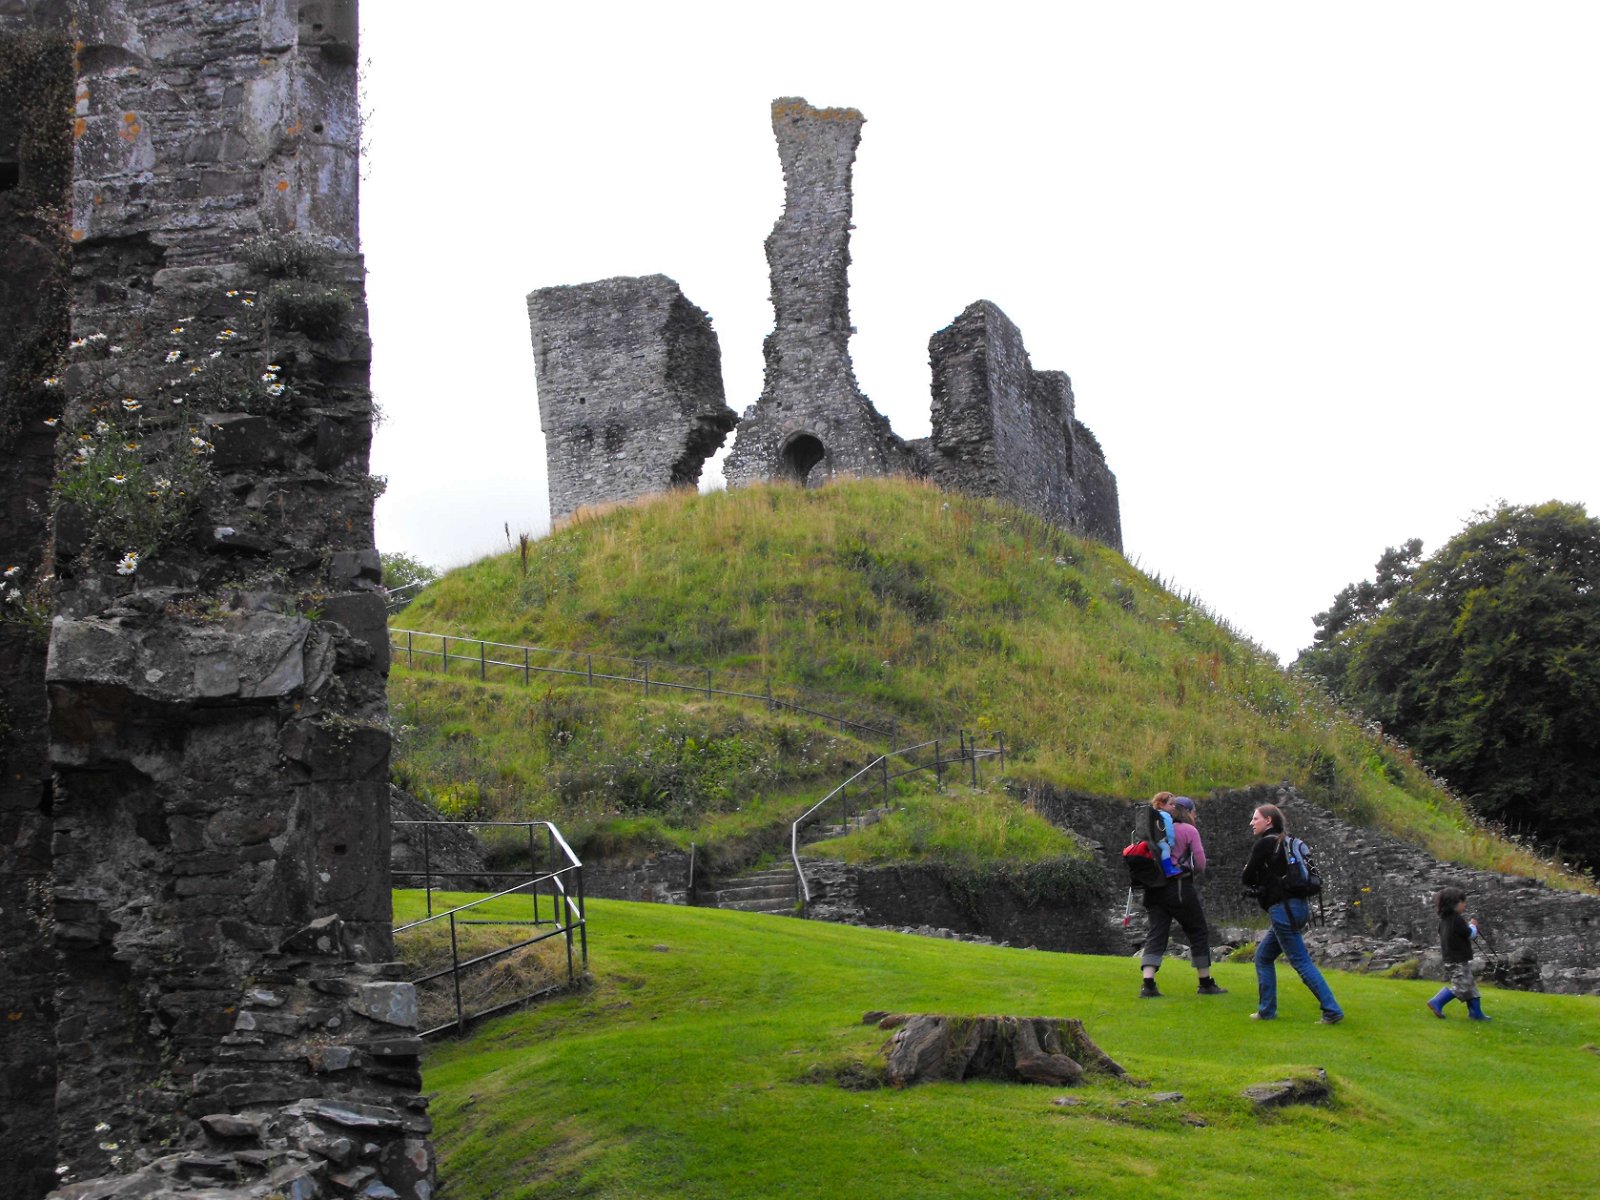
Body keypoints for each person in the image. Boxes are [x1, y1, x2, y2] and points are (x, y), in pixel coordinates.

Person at [1240, 803, 1343, 1024]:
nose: (1251, 823)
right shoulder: (1289, 842)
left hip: (1282, 910)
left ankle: (1332, 1010)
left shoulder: (1265, 844)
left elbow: (1246, 878)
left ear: (1268, 821)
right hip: (1299, 907)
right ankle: (1266, 1011)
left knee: (1301, 961)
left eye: (1255, 818)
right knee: (1263, 956)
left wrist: (1251, 874)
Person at [1138, 796, 1227, 998]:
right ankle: (1205, 982)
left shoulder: (1153, 830)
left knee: (1157, 932)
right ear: (1187, 811)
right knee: (1197, 930)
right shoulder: (1189, 831)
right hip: (1179, 887)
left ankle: (1148, 983)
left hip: (1153, 889)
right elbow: (1201, 863)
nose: (1196, 815)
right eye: (1194, 811)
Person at [1427, 886, 1491, 1021]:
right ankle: (1437, 1001)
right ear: (1454, 904)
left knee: (1471, 987)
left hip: (1450, 959)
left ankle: (1476, 1013)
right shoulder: (1457, 920)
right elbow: (1470, 934)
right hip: (1459, 960)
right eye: (1462, 902)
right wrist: (1473, 925)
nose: (1465, 904)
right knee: (1461, 987)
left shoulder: (1443, 922)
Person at [1136, 791, 1183, 879]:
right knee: (1166, 849)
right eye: (1171, 804)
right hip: (1159, 840)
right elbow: (1169, 829)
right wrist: (1171, 841)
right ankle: (1168, 869)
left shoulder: (1155, 814)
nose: (1174, 806)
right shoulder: (1166, 815)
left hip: (1151, 840)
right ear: (1161, 805)